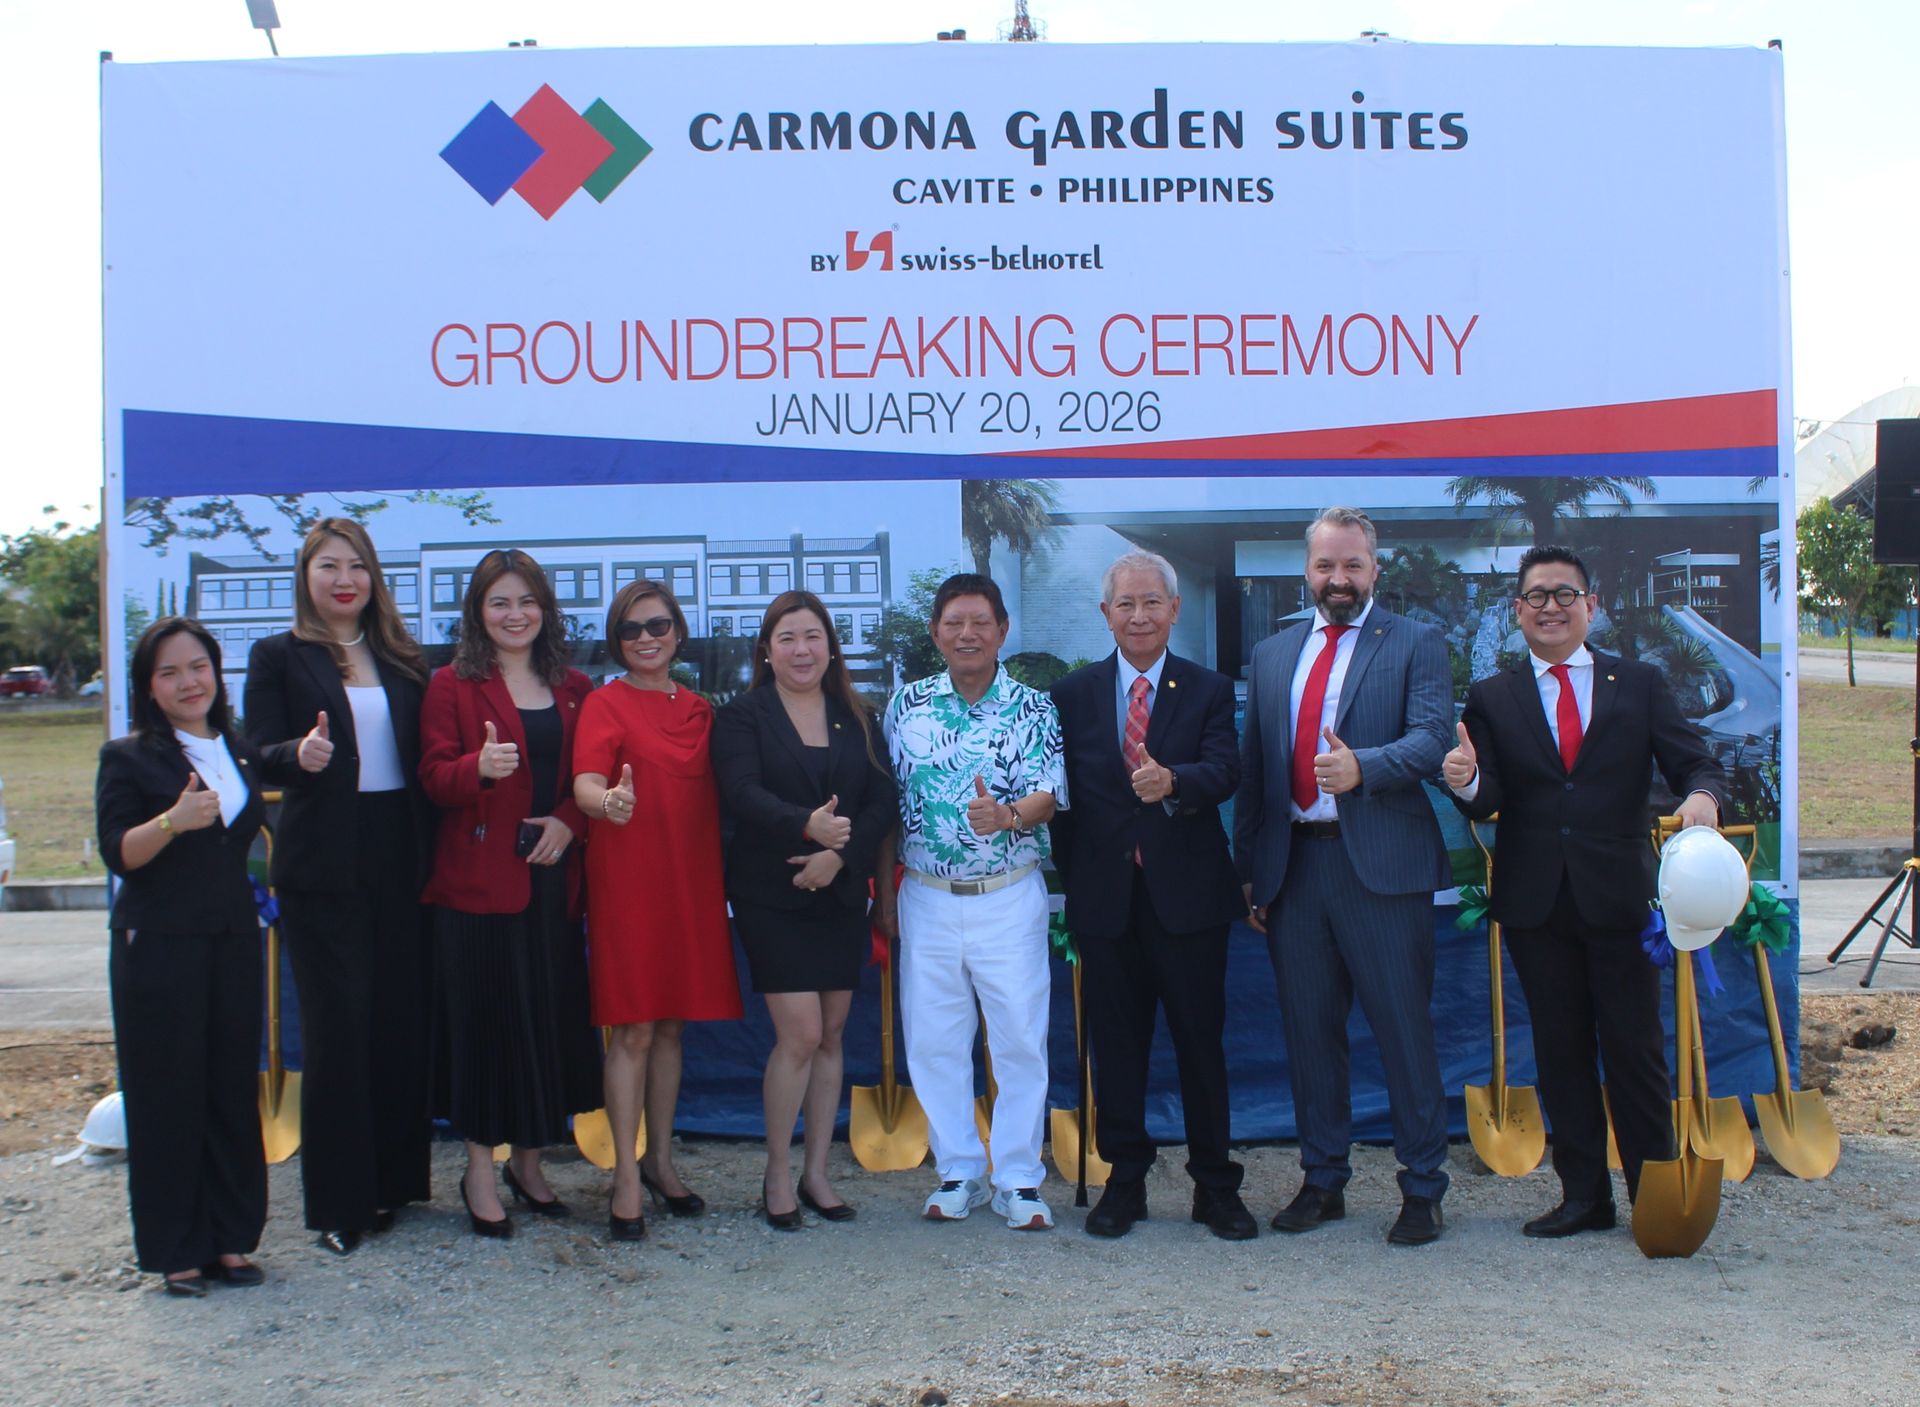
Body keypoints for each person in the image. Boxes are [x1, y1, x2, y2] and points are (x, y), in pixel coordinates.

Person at [1443, 544, 1727, 1237]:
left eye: (1565, 594)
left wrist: (1701, 798)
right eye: (1536, 595)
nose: (1550, 606)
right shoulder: (1493, 696)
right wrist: (1465, 780)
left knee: (1635, 1049)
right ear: (1517, 611)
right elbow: (1488, 801)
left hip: (1620, 899)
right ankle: (1584, 1198)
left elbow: (1698, 762)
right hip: (1537, 904)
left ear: (1591, 607)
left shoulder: (1640, 683)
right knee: (1562, 1052)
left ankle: (1658, 1195)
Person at [1233, 506, 1453, 1246]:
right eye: (1326, 566)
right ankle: (1323, 1179)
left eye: (1352, 565)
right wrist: (1252, 872)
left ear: (1374, 570)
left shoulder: (1416, 642)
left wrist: (1366, 768)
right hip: (1295, 868)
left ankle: (1423, 1187)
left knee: (1402, 1032)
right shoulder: (1271, 655)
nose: (1338, 579)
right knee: (1309, 1034)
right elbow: (1258, 769)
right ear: (1308, 570)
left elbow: (1430, 738)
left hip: (1382, 869)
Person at [1049, 551, 1256, 1241]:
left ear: (1173, 609)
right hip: (1107, 902)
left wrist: (1176, 782)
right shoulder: (1073, 693)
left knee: (1201, 1045)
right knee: (1118, 1045)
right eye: (1124, 604)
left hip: (1189, 899)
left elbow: (1227, 769)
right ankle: (1126, 1182)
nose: (1138, 615)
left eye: (1151, 602)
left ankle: (1215, 1188)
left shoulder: (1207, 688)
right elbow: (1065, 801)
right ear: (1105, 613)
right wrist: (1078, 881)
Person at [245, 518, 437, 1255]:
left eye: (356, 565)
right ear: (307, 574)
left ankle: (393, 1184)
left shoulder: (403, 656)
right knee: (337, 1030)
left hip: (401, 851)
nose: (343, 578)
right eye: (329, 565)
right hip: (325, 861)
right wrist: (300, 751)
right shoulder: (278, 655)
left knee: (396, 1021)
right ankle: (339, 1201)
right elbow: (257, 753)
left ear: (373, 577)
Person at [96, 618, 301, 1295]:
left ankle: (230, 1238)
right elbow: (118, 852)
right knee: (166, 1095)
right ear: (149, 688)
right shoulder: (128, 757)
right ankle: (175, 1248)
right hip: (158, 947)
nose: (188, 682)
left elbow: (272, 788)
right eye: (170, 672)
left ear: (217, 673)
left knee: (225, 1091)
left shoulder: (236, 750)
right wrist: (170, 822)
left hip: (232, 943)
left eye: (199, 667)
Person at [418, 549, 603, 1237]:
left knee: (546, 1026)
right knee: (485, 1030)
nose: (514, 614)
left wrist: (569, 820)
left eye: (526, 601)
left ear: (545, 609)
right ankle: (476, 1168)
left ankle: (530, 1165)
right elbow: (435, 778)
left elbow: (593, 777)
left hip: (553, 884)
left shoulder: (577, 686)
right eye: (499, 602)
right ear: (477, 612)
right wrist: (479, 767)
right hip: (476, 890)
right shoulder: (451, 685)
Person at [883, 572, 1065, 1232]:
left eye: (980, 621)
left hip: (1008, 894)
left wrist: (1008, 813)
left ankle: (1018, 1178)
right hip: (927, 896)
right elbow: (888, 804)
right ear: (936, 632)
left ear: (1002, 630)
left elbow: (1049, 795)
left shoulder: (1034, 708)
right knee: (934, 1038)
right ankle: (958, 1169)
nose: (967, 633)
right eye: (954, 621)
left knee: (1019, 1037)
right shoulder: (907, 707)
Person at [711, 591, 899, 1229]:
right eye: (787, 637)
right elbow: (740, 793)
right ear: (767, 648)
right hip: (773, 895)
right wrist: (807, 829)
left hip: (839, 894)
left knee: (834, 1035)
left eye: (812, 636)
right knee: (801, 1034)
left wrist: (840, 859)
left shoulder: (856, 714)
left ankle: (817, 1173)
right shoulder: (743, 717)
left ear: (830, 646)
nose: (801, 649)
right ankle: (776, 1174)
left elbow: (883, 803)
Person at [573, 579, 742, 1242]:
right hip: (628, 882)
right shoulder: (602, 703)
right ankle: (622, 1175)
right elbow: (586, 781)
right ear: (617, 642)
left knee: (672, 1027)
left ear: (677, 631)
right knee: (634, 1029)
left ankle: (661, 1161)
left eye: (658, 625)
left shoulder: (701, 709)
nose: (646, 638)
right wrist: (603, 803)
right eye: (631, 629)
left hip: (689, 880)